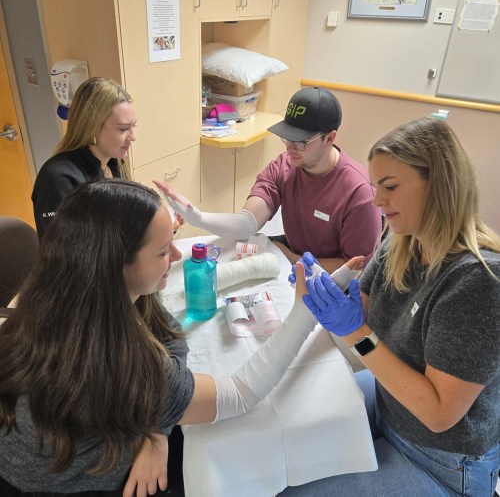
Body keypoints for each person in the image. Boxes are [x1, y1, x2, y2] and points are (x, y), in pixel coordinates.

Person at [0, 179, 362, 495]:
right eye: (162, 251)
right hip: (57, 485)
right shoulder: (115, 362)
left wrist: (157, 421)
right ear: (117, 264)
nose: (175, 256)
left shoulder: (62, 292)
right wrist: (303, 311)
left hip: (41, 452)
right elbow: (240, 394)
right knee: (224, 459)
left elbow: (166, 331)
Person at [281, 117, 500, 496]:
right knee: (283, 444)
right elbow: (360, 317)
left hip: (440, 457)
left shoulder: (478, 282)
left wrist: (355, 333)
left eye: (391, 187)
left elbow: (438, 414)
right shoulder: (401, 242)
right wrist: (329, 290)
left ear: (439, 184)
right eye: (374, 186)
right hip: (390, 406)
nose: (376, 200)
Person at [154, 86, 382, 274]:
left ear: (329, 138)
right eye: (287, 137)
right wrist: (198, 217)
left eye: (301, 141)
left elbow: (355, 268)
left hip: (331, 280)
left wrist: (294, 259)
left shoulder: (358, 193)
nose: (290, 147)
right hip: (291, 257)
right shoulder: (284, 166)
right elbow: (246, 225)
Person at [31, 77, 135, 238]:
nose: (132, 137)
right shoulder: (57, 180)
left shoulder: (114, 164)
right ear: (92, 127)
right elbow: (67, 253)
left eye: (133, 126)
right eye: (123, 129)